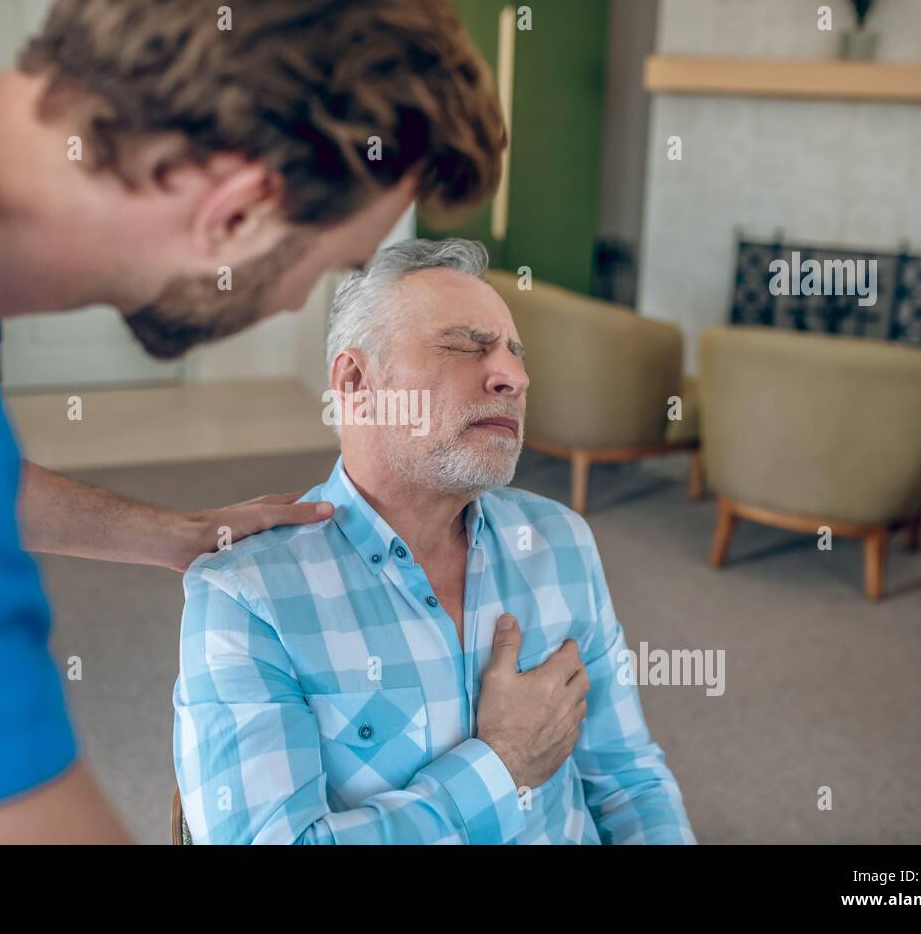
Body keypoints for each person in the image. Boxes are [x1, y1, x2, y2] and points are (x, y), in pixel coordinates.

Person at [0, 0, 504, 843]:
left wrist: (162, 534)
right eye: (326, 269)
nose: (293, 308)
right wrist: (497, 765)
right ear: (238, 213)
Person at [173, 239, 696, 844]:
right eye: (464, 347)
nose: (515, 377)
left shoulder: (562, 541)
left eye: (515, 354)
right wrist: (502, 766)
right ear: (357, 380)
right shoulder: (246, 595)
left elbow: (629, 781)